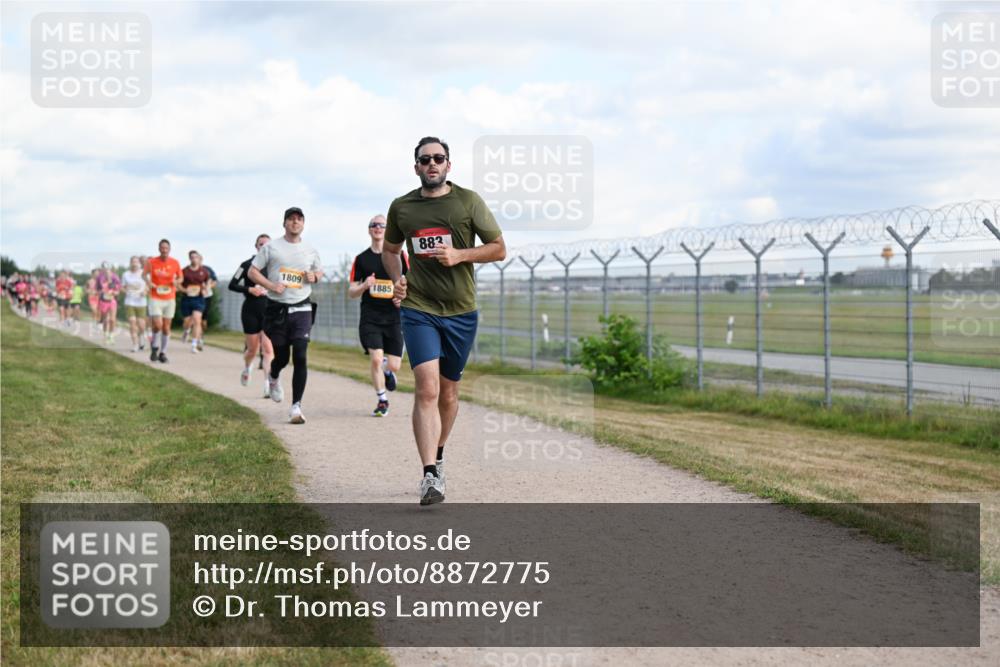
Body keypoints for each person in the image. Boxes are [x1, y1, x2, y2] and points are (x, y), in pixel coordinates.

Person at [383, 136, 506, 505]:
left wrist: (459, 255)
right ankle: (429, 475)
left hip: (461, 311)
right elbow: (391, 251)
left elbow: (499, 248)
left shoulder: (468, 202)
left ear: (449, 165)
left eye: (439, 158)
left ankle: (438, 454)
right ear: (416, 166)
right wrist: (396, 283)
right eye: (425, 159)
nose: (432, 164)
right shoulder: (402, 208)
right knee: (427, 388)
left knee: (449, 394)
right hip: (419, 309)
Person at [247, 207, 323, 424]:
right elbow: (252, 272)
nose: (295, 223)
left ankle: (296, 407)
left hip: (302, 307)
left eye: (299, 220)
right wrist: (271, 285)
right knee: (281, 357)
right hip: (277, 309)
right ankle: (273, 377)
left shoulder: (310, 249)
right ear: (284, 223)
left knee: (300, 354)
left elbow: (319, 271)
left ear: (303, 224)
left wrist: (314, 277)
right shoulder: (272, 247)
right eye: (291, 219)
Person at [349, 214, 408, 417]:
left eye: (382, 225)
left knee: (394, 364)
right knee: (375, 359)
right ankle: (382, 399)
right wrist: (364, 285)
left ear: (387, 229)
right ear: (369, 230)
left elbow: (410, 282)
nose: (378, 228)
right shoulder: (361, 259)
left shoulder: (399, 256)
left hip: (394, 317)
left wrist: (402, 298)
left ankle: (389, 371)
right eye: (374, 225)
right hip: (371, 317)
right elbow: (351, 291)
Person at [229, 234, 275, 396]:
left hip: (269, 309)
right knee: (252, 350)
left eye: (267, 244)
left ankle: (268, 384)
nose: (263, 246)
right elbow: (232, 285)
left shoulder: (275, 265)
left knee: (268, 349)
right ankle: (248, 367)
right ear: (256, 246)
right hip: (250, 310)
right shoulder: (246, 265)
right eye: (260, 244)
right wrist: (249, 289)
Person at [144, 239, 183, 363]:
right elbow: (144, 274)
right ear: (159, 249)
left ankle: (163, 352)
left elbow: (181, 277)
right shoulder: (151, 262)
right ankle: (154, 346)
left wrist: (177, 282)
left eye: (166, 248)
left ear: (169, 249)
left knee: (166, 327)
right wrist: (149, 282)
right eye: (162, 248)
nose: (164, 250)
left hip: (169, 297)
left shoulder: (175, 262)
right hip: (155, 296)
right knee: (157, 324)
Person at [180, 251, 211, 353]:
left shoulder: (204, 271)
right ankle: (186, 331)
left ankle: (194, 344)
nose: (194, 259)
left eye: (196, 257)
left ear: (199, 258)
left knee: (197, 320)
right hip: (187, 299)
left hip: (199, 299)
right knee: (187, 322)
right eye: (192, 257)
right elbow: (177, 283)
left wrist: (206, 288)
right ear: (190, 259)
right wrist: (184, 290)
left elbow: (208, 281)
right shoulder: (184, 271)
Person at [122, 256, 148, 352]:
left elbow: (148, 286)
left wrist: (145, 292)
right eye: (133, 261)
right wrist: (126, 292)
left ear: (139, 263)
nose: (134, 263)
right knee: (132, 322)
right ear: (130, 263)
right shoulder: (126, 274)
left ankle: (141, 338)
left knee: (141, 325)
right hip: (130, 302)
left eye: (136, 261)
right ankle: (135, 344)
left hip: (141, 302)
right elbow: (123, 287)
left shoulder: (144, 273)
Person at [95, 263, 122, 344]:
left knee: (112, 319)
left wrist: (115, 292)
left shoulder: (115, 279)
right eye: (106, 272)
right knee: (106, 320)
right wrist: (101, 292)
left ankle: (111, 336)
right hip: (103, 301)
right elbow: (97, 290)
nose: (107, 274)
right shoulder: (100, 279)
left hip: (112, 301)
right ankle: (105, 335)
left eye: (109, 272)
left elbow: (118, 289)